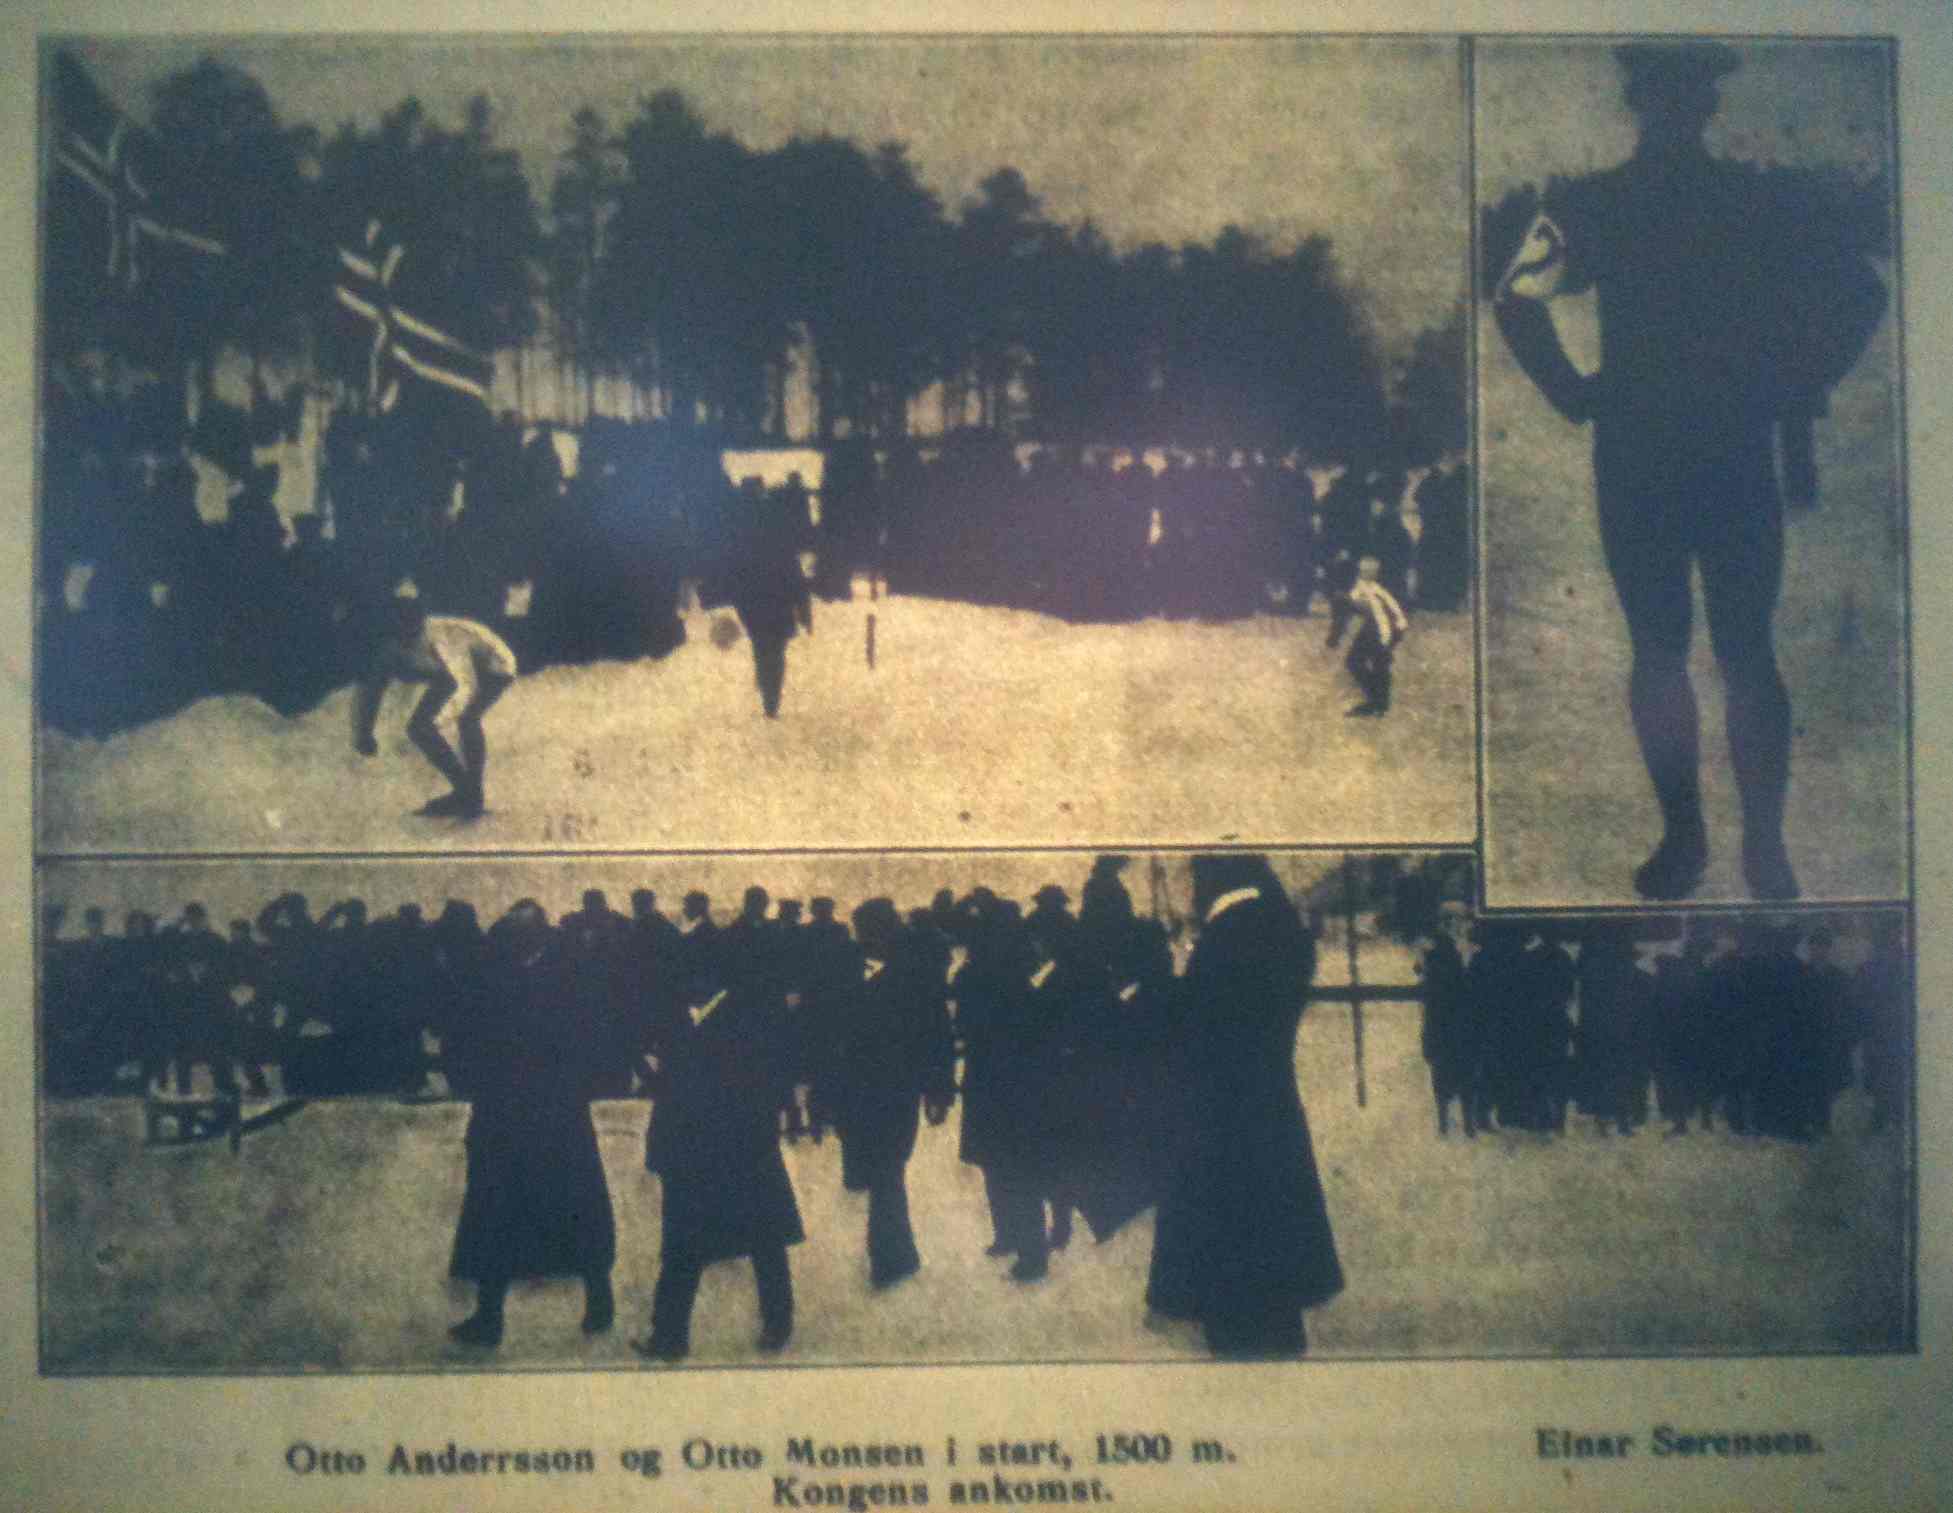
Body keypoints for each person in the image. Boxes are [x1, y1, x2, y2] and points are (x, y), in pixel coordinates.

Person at [1492, 43, 1887, 900]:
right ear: (1697, 106)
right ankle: (1740, 849)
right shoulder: (1749, 201)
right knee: (1728, 651)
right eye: (1676, 98)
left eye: (1676, 98)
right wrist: (1793, 378)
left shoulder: (1601, 203)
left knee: (1674, 651)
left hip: (1648, 450)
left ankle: (1704, 844)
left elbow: (1514, 298)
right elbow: (1860, 293)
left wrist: (1575, 391)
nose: (1675, 112)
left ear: (1649, 105)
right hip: (1719, 445)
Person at [1146, 855, 1343, 1357]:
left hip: (1220, 1121)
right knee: (1271, 1243)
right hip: (1268, 1110)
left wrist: (1161, 988)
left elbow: (1195, 1030)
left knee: (1231, 1259)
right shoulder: (1279, 931)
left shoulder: (1226, 941)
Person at [444, 900, 617, 1349]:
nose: (513, 943)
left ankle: (599, 1299)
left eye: (519, 935)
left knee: (574, 1209)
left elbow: (592, 1039)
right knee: (495, 1211)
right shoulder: (499, 977)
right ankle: (489, 1316)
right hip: (508, 1114)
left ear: (537, 936)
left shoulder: (567, 978)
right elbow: (469, 1038)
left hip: (553, 1115)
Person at [635, 957, 804, 1361]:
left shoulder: (742, 1020)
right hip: (701, 1151)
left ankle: (776, 1323)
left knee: (757, 1240)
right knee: (693, 1246)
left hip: (737, 1148)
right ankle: (671, 1335)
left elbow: (766, 1080)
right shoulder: (684, 1021)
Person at [353, 595, 518, 818]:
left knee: (467, 720)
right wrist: (364, 732)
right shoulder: (389, 647)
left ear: (419, 625)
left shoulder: (442, 641)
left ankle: (472, 797)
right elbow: (374, 690)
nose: (404, 641)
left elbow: (466, 687)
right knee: (417, 728)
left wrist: (437, 723)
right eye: (398, 634)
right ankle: (464, 791)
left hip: (494, 664)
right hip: (444, 671)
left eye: (411, 634)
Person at [1341, 553, 1409, 717]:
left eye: (1370, 571)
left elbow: (1393, 616)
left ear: (1376, 573)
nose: (1366, 574)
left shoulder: (1377, 591)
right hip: (1373, 628)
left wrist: (1389, 638)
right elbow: (1354, 603)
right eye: (1364, 570)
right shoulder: (1361, 588)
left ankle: (1377, 703)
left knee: (1377, 664)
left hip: (1385, 630)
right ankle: (1378, 701)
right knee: (1357, 662)